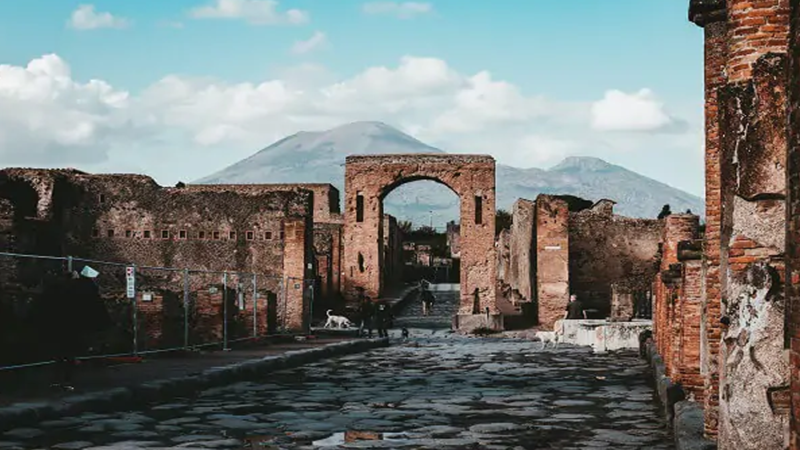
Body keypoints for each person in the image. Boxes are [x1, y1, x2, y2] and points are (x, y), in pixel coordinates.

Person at [36, 266, 110, 390]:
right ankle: (66, 380)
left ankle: (57, 380)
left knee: (59, 354)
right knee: (69, 354)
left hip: (58, 325)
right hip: (72, 326)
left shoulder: (57, 289)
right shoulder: (82, 288)